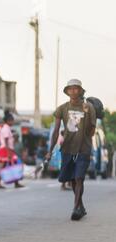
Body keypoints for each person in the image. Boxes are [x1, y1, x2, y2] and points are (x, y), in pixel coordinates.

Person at [45, 79, 96, 221]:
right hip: (67, 148)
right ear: (67, 91)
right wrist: (50, 150)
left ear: (80, 91)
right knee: (73, 179)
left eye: (76, 88)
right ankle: (81, 206)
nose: (73, 91)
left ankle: (75, 208)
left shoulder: (88, 107)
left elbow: (92, 130)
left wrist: (85, 133)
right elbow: (56, 131)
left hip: (84, 148)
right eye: (70, 89)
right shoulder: (62, 108)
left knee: (79, 177)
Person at [0, 110, 24, 189]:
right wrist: (9, 153)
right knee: (3, 166)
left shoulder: (7, 128)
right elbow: (6, 141)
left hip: (7, 149)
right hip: (6, 150)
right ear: (8, 121)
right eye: (12, 120)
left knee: (13, 165)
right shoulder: (6, 129)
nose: (13, 122)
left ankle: (16, 182)